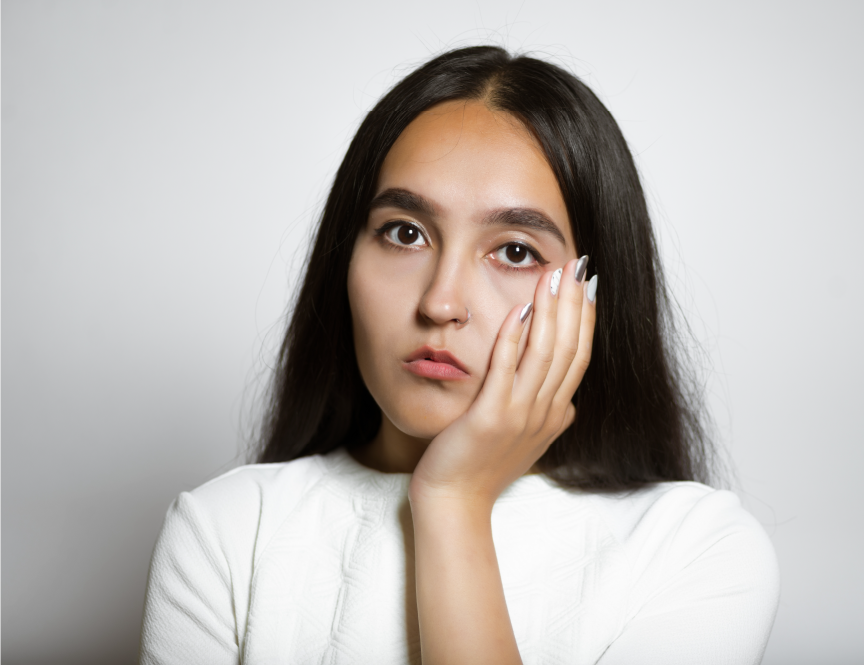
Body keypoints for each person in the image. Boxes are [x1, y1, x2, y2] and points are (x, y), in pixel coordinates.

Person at [139, 45, 780, 664]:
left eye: (516, 250)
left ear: (591, 295)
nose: (441, 303)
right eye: (405, 233)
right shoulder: (227, 532)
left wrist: (453, 502)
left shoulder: (693, 551)